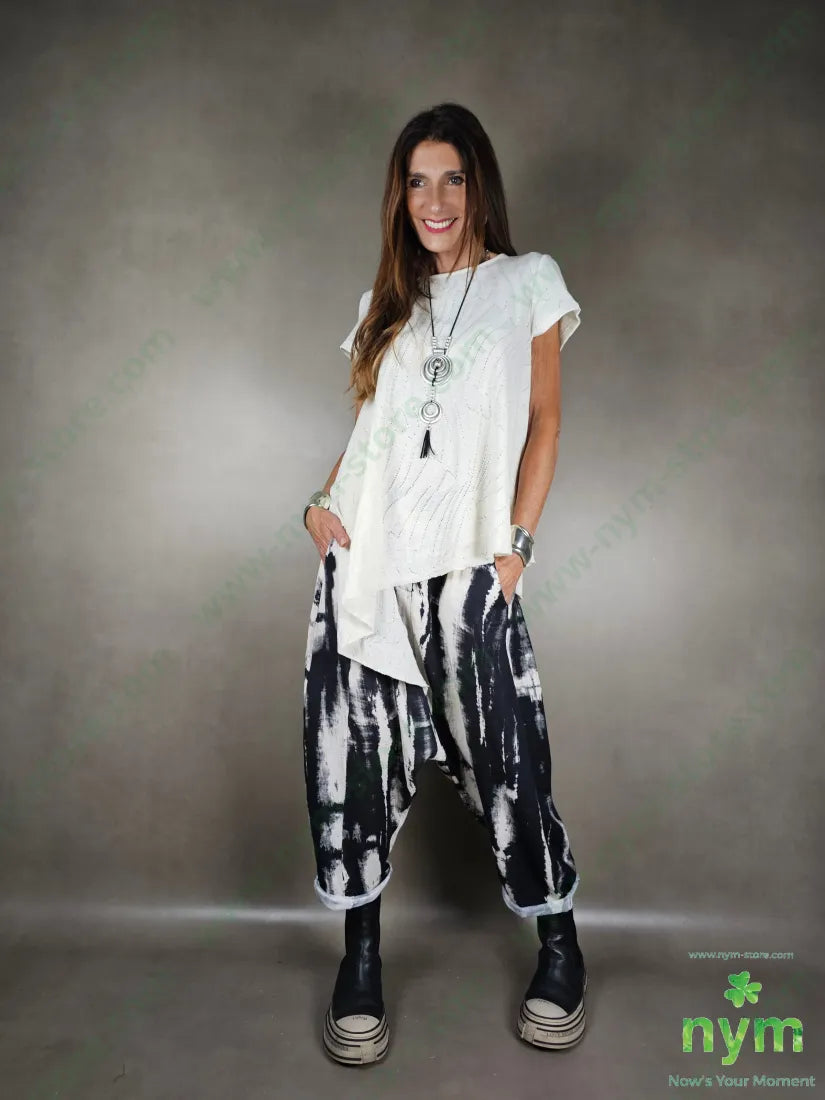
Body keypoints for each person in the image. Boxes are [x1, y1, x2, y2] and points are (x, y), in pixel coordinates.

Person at [302, 102, 586, 1066]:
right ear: (400, 196)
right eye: (417, 181)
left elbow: (544, 422)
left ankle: (559, 945)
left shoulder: (526, 282)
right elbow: (369, 437)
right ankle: (361, 961)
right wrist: (321, 504)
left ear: (478, 186)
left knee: (508, 762)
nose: (434, 200)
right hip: (370, 566)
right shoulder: (383, 303)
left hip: (470, 568)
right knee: (357, 766)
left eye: (451, 179)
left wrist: (516, 549)